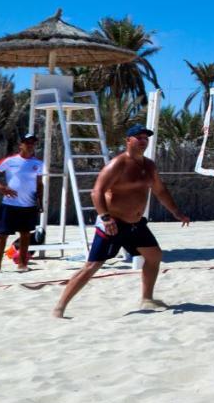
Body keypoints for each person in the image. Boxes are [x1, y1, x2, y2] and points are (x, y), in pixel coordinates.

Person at [53, 125, 190, 318]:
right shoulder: (118, 164)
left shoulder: (149, 166)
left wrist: (176, 212)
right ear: (128, 140)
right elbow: (97, 192)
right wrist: (105, 218)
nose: (143, 141)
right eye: (139, 137)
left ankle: (147, 298)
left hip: (135, 224)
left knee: (154, 256)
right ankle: (60, 307)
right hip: (113, 222)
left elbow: (160, 190)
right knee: (92, 266)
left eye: (146, 138)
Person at [0, 133, 44, 273]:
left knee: (26, 234)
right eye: (27, 143)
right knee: (3, 234)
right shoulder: (10, 161)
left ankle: (22, 263)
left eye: (32, 143)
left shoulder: (38, 164)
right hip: (10, 205)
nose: (30, 146)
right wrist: (0, 187)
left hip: (29, 205)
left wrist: (40, 201)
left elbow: (39, 184)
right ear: (20, 145)